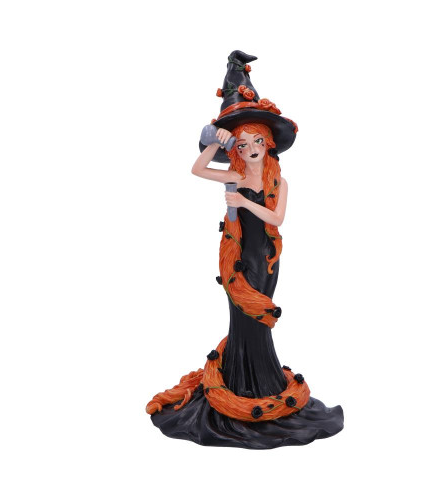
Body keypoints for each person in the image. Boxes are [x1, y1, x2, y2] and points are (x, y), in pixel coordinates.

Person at [146, 50, 343, 449]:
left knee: (257, 318)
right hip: (235, 257)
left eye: (257, 140)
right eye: (242, 142)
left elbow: (276, 219)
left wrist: (243, 203)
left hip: (264, 259)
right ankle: (240, 380)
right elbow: (197, 169)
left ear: (267, 143)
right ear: (235, 148)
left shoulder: (278, 183)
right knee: (240, 318)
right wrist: (211, 141)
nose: (251, 147)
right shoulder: (233, 174)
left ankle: (262, 380)